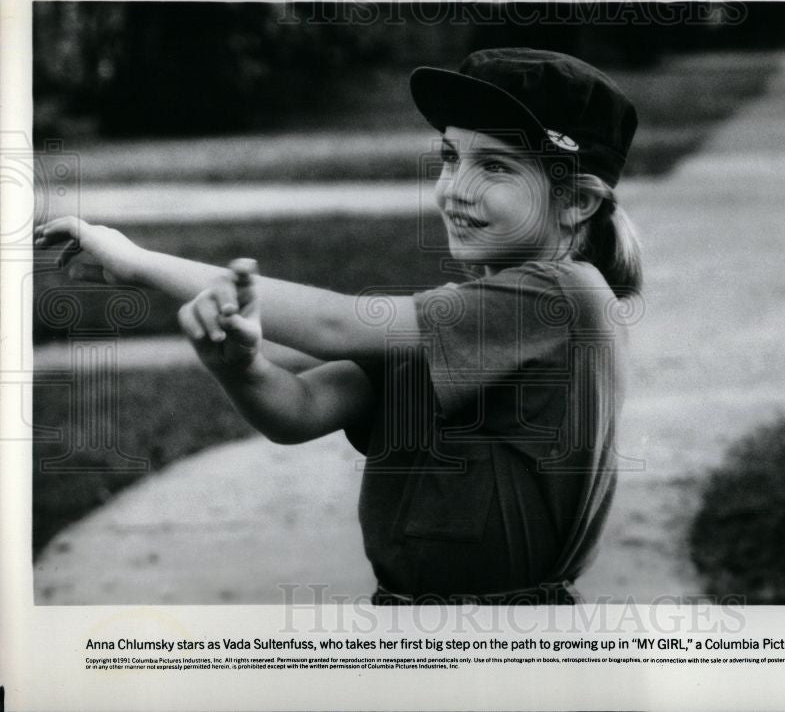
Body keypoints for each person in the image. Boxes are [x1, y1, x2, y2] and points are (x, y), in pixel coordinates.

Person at [34, 47, 642, 605]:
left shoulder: (560, 297)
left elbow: (334, 323)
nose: (456, 189)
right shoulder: (465, 320)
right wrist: (241, 368)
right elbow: (301, 409)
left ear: (578, 201)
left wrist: (138, 262)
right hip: (409, 617)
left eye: (497, 167)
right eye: (451, 158)